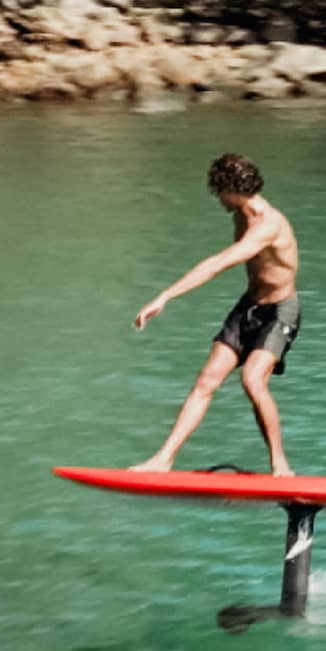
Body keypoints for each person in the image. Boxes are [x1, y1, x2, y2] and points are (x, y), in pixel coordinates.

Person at [131, 153, 301, 477]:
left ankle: (280, 465)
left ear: (232, 188)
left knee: (252, 379)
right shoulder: (240, 216)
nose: (217, 198)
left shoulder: (268, 225)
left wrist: (166, 295)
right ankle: (163, 459)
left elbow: (217, 264)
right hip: (249, 307)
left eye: (218, 191)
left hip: (280, 312)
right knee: (206, 380)